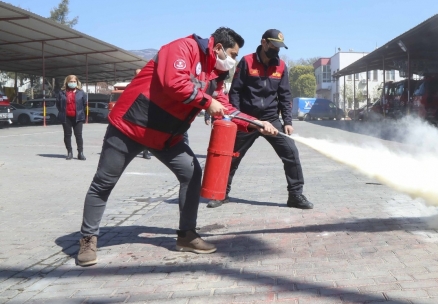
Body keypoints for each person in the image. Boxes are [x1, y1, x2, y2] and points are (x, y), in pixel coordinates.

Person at [75, 28, 278, 267]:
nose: (233, 60)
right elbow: (174, 83)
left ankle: (186, 235)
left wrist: (255, 124)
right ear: (218, 47)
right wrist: (207, 102)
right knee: (103, 182)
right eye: (232, 54)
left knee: (191, 174)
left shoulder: (216, 75)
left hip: (167, 136)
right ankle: (88, 239)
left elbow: (225, 108)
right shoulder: (183, 48)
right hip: (130, 126)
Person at [207, 29, 313, 210]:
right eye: (273, 45)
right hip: (246, 119)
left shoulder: (281, 66)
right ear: (263, 42)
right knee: (232, 157)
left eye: (279, 47)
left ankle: (295, 195)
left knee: (291, 153)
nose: (276, 50)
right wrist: (236, 118)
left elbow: (285, 95)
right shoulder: (247, 61)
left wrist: (287, 122)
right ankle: (221, 193)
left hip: (271, 119)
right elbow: (236, 92)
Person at [55, 75, 88, 160]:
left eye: (74, 82)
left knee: (78, 135)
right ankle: (69, 152)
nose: (72, 83)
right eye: (71, 81)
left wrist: (80, 112)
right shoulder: (62, 92)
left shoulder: (81, 92)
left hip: (78, 117)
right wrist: (63, 112)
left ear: (77, 82)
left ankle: (80, 153)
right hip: (66, 117)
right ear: (67, 82)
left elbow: (84, 104)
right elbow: (58, 104)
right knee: (67, 135)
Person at [135, 68, 152, 160]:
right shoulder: (132, 85)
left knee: (146, 133)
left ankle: (145, 152)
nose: (139, 74)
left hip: (145, 111)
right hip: (134, 111)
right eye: (137, 73)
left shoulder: (148, 84)